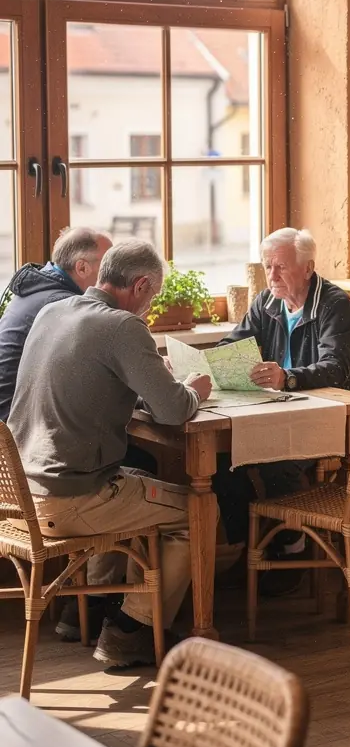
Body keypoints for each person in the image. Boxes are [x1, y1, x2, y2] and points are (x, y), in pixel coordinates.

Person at [8, 239, 212, 669]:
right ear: (140, 285)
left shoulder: (52, 311)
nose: (150, 306)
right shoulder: (122, 326)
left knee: (129, 481)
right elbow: (173, 410)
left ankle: (90, 612)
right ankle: (130, 631)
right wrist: (193, 390)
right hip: (71, 499)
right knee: (199, 511)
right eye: (152, 296)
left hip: (19, 493)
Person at [214, 227, 350, 591]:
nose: (272, 276)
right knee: (225, 463)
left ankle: (292, 547)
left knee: (276, 460)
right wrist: (213, 362)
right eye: (268, 267)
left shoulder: (335, 304)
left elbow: (336, 368)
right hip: (282, 412)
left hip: (336, 418)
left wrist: (287, 377)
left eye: (281, 267)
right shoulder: (266, 302)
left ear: (307, 268)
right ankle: (253, 545)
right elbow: (234, 343)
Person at [0, 227, 112, 422]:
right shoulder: (62, 304)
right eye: (108, 267)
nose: (114, 275)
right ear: (82, 268)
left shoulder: (35, 291)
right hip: (21, 430)